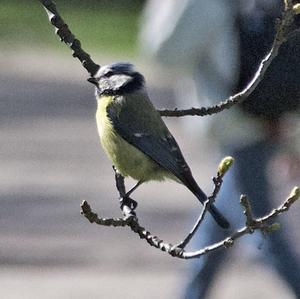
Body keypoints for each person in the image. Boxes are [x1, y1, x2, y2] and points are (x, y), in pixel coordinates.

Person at [139, 0, 300, 297]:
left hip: (236, 123)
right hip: (258, 118)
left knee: (260, 233)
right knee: (216, 226)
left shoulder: (203, 3)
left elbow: (164, 54)